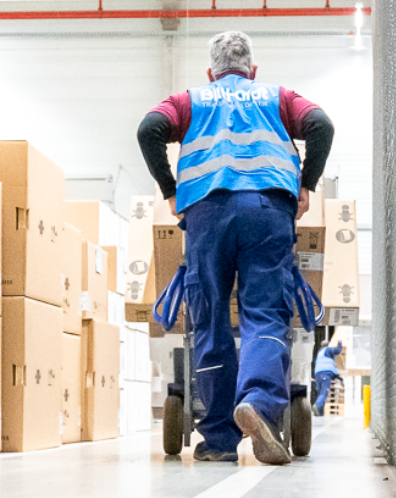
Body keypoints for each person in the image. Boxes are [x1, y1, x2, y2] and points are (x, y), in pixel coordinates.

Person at [138, 31, 335, 465]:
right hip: (268, 211)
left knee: (208, 319)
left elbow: (149, 128)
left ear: (211, 72)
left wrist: (170, 190)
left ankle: (220, 440)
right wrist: (307, 186)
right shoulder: (278, 97)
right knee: (264, 312)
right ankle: (259, 405)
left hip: (206, 214)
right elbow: (321, 124)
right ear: (253, 70)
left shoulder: (190, 101)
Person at [312, 342, 344, 417]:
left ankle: (319, 413)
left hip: (318, 374)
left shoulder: (320, 353)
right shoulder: (328, 350)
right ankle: (317, 405)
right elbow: (338, 351)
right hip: (325, 373)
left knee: (320, 393)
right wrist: (339, 343)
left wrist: (337, 376)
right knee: (324, 392)